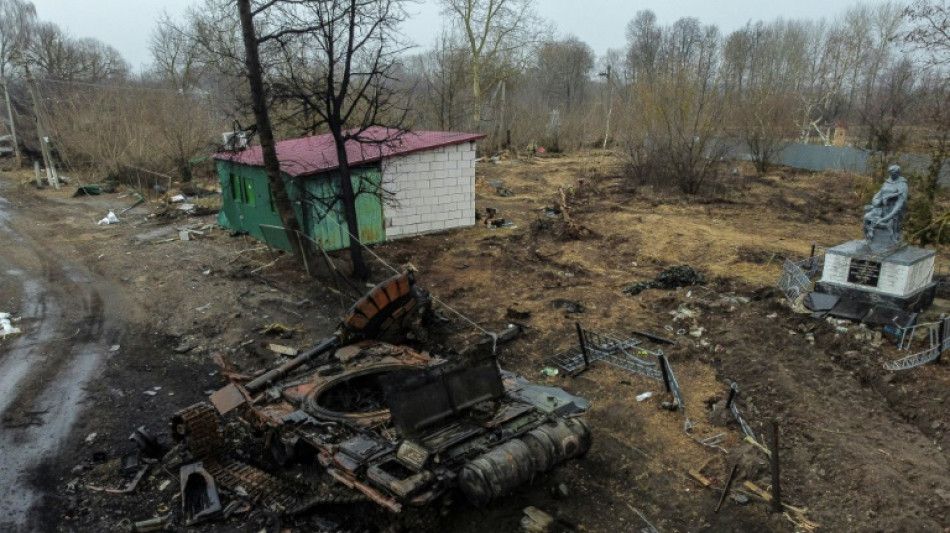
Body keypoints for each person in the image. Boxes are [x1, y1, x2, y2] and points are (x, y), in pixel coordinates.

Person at [863, 164, 908, 244]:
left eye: (893, 174)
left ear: (897, 173)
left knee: (888, 224)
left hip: (893, 211)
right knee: (866, 217)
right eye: (890, 174)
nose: (891, 176)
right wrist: (876, 202)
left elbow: (900, 203)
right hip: (881, 209)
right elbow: (880, 193)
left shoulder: (902, 184)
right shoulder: (887, 182)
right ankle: (869, 237)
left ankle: (893, 240)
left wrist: (886, 218)